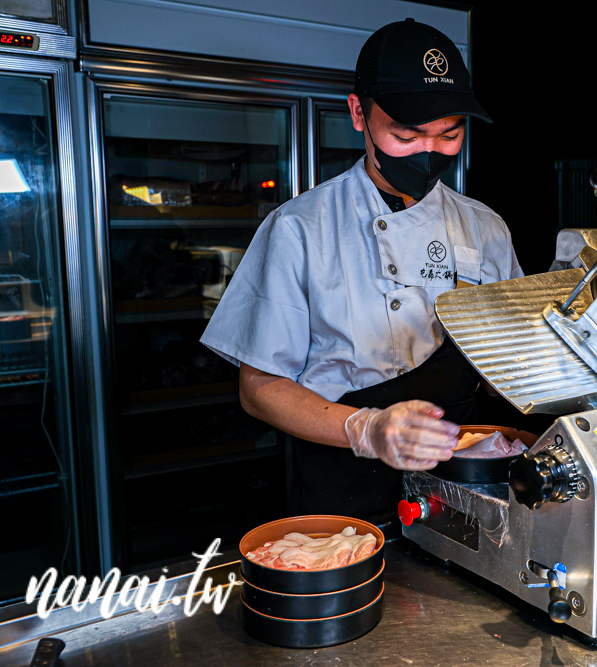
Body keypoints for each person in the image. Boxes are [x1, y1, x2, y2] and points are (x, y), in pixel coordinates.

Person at [200, 18, 522, 518]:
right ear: (358, 113)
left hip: (460, 478)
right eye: (406, 134)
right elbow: (258, 389)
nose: (428, 152)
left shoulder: (485, 228)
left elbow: (506, 365)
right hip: (343, 482)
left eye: (449, 133)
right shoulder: (299, 229)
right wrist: (368, 429)